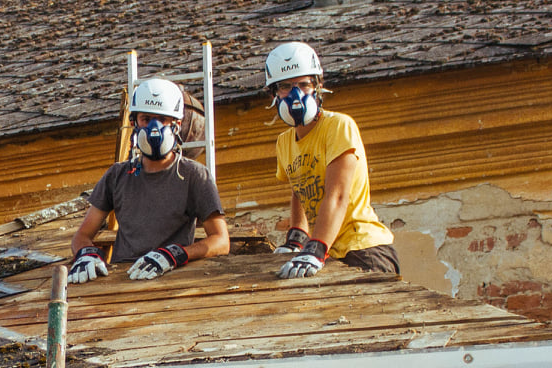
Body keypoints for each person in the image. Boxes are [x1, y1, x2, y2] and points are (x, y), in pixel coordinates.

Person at [68, 78, 229, 284]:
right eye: (146, 119)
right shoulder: (117, 175)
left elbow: (221, 241)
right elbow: (82, 234)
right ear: (134, 123)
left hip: (171, 280)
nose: (154, 128)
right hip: (122, 279)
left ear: (177, 125)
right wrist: (86, 253)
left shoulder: (193, 175)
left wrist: (174, 255)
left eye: (162, 119)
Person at [262, 41, 398, 278]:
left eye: (304, 84)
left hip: (362, 249)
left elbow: (337, 195)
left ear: (318, 87)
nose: (295, 95)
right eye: (285, 87)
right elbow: (299, 189)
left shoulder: (339, 126)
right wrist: (297, 236)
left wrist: (316, 248)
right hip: (328, 251)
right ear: (274, 93)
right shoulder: (284, 142)